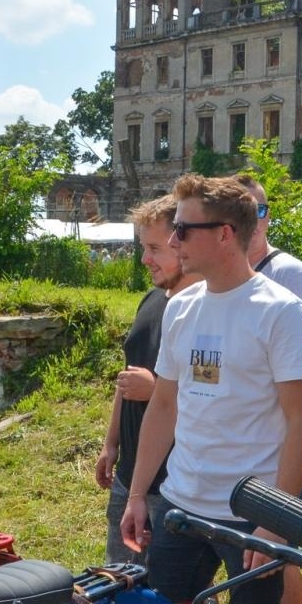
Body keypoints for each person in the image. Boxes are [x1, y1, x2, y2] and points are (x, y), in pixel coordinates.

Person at [121, 174, 302, 604]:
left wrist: (277, 521)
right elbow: (164, 406)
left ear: (225, 234)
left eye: (185, 229)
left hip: (251, 515)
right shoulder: (181, 306)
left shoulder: (281, 310)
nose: (173, 239)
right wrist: (136, 495)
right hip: (181, 507)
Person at [233, 174, 302, 604]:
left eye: (260, 210)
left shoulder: (289, 274)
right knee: (253, 558)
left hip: (280, 441)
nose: (255, 220)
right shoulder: (221, 279)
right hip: (241, 441)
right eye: (245, 210)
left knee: (277, 556)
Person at [95, 194, 195, 565]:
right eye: (143, 247)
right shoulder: (151, 299)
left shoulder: (203, 311)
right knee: (118, 582)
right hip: (130, 477)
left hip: (173, 483)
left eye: (154, 248)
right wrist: (111, 444)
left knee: (176, 589)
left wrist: (156, 391)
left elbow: (217, 400)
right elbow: (126, 378)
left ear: (180, 244)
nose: (144, 259)